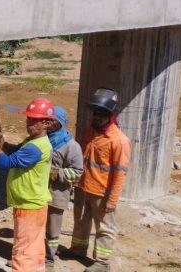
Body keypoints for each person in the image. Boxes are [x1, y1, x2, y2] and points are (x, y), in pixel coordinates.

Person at [0, 97, 54, 272]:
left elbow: (4, 163)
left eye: (34, 120)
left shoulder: (35, 147)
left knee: (22, 251)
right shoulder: (33, 142)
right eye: (28, 118)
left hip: (29, 206)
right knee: (34, 248)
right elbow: (15, 152)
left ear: (47, 123)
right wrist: (2, 142)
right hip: (35, 204)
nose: (29, 123)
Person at [67, 88, 131, 272]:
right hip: (82, 187)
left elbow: (120, 173)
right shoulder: (90, 131)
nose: (97, 118)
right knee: (80, 220)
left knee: (104, 227)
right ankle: (78, 249)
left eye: (101, 115)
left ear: (110, 116)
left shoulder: (119, 141)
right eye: (95, 114)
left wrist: (112, 200)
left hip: (101, 192)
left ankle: (102, 262)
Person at [44, 106, 84, 271]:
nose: (49, 123)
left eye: (53, 120)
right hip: (38, 192)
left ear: (61, 123)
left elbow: (77, 172)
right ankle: (32, 256)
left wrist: (55, 173)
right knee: (37, 227)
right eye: (47, 119)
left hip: (57, 195)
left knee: (52, 231)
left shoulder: (71, 146)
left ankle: (49, 259)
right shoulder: (41, 138)